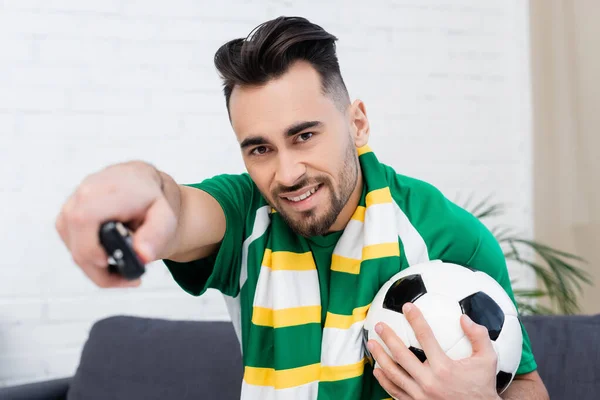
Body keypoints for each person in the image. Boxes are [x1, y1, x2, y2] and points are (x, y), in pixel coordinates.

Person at [55, 16, 549, 400]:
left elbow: (525, 385)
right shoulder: (248, 214)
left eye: (304, 135)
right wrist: (134, 185)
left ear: (357, 125)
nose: (287, 174)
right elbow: (177, 205)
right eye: (260, 149)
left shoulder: (448, 236)